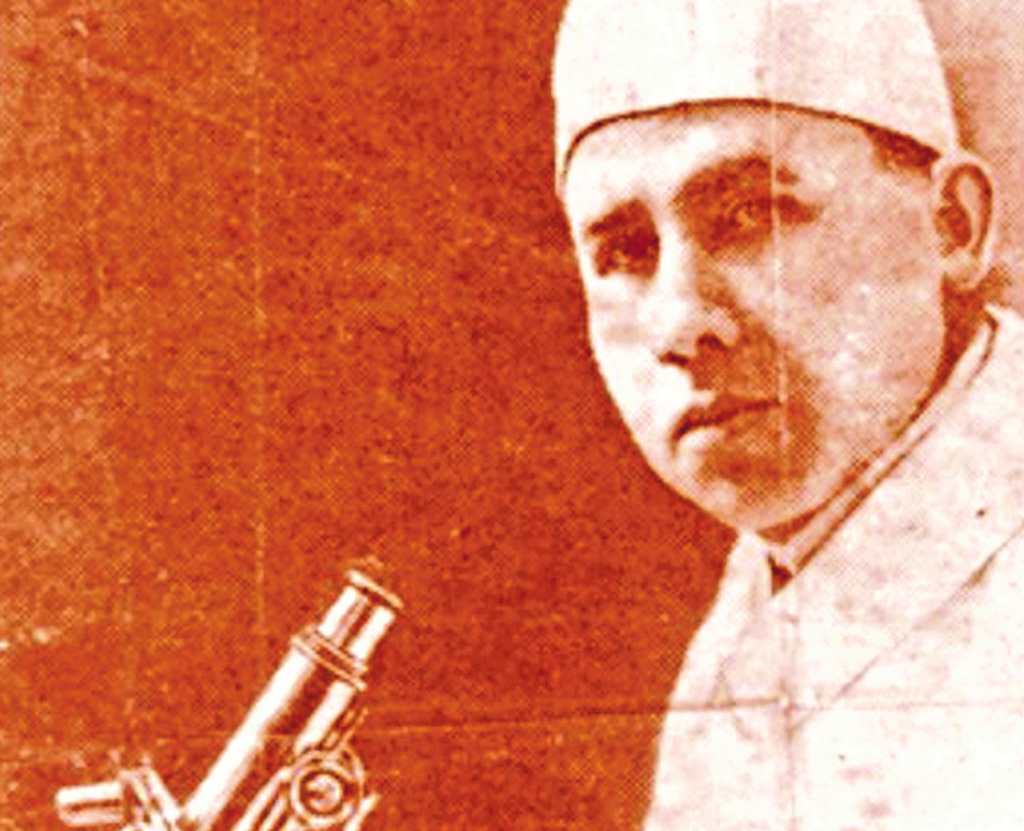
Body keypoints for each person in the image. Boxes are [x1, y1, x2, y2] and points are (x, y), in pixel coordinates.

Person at [552, 0, 1024, 828]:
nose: (680, 322)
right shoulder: (758, 595)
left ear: (953, 225)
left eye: (752, 214)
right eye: (624, 253)